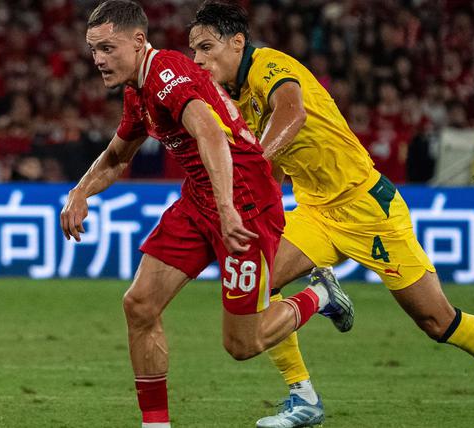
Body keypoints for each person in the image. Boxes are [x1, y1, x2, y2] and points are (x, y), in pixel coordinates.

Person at [187, 2, 474, 428]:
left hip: (368, 207)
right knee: (259, 287)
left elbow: (292, 114)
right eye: (193, 50)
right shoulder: (233, 98)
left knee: (438, 321)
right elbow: (282, 160)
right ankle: (303, 396)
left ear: (237, 42)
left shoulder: (268, 65)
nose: (198, 60)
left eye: (207, 47)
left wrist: (250, 164)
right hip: (316, 211)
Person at [60, 2, 354, 427]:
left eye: (107, 48)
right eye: (93, 50)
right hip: (201, 198)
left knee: (242, 344)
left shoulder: (167, 76)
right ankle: (155, 424)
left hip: (245, 201)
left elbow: (212, 134)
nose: (99, 60)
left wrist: (228, 208)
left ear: (139, 42)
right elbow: (115, 156)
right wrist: (79, 193)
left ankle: (320, 294)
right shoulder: (137, 90)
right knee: (140, 305)